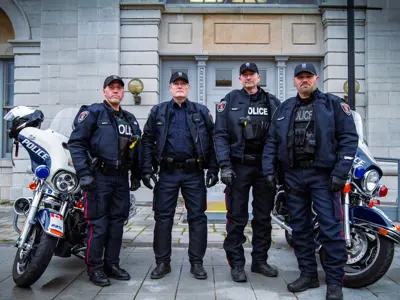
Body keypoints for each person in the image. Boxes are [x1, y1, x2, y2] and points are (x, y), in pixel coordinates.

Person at [262, 62, 358, 300]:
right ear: (294, 81)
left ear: (316, 79)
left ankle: (334, 282)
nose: (304, 80)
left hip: (323, 177)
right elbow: (272, 141)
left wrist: (340, 172)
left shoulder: (334, 105)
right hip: (293, 177)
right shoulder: (284, 108)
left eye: (308, 77)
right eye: (300, 77)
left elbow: (348, 139)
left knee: (330, 228)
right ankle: (308, 275)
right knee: (301, 229)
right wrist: (268, 169)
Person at [141, 71, 219, 280]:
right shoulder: (158, 111)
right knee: (163, 218)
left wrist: (213, 169)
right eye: (176, 83)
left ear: (189, 88)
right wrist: (147, 169)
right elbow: (147, 140)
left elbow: (213, 141)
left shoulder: (201, 112)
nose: (180, 87)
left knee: (198, 218)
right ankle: (162, 263)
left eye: (183, 84)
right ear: (169, 88)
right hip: (167, 173)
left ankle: (197, 263)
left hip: (194, 173)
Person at [68, 75, 142, 287]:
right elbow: (76, 144)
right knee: (98, 225)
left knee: (117, 224)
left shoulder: (129, 118)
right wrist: (84, 174)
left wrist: (137, 173)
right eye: (112, 88)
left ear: (123, 93)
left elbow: (137, 146)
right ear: (104, 92)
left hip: (121, 178)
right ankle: (95, 268)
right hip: (98, 178)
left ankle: (112, 265)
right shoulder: (92, 113)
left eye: (119, 88)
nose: (116, 91)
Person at [213, 62, 281, 282]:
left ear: (258, 77)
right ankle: (237, 264)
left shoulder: (272, 103)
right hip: (238, 167)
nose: (249, 78)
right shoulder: (230, 100)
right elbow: (220, 134)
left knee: (263, 218)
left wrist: (275, 169)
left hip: (264, 168)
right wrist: (224, 165)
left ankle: (260, 261)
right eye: (245, 75)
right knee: (237, 217)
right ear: (240, 78)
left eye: (252, 74)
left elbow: (279, 137)